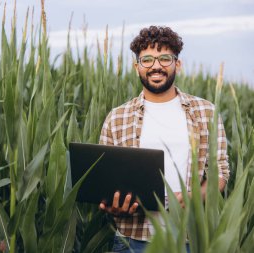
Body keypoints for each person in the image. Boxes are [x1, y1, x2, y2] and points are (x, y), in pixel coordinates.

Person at [98, 25, 230, 253]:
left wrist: (193, 197)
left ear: (177, 64)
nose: (156, 66)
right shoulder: (117, 118)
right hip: (132, 241)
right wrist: (113, 205)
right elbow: (105, 180)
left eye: (165, 58)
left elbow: (221, 172)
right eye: (147, 59)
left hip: (187, 240)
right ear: (137, 66)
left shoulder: (206, 112)